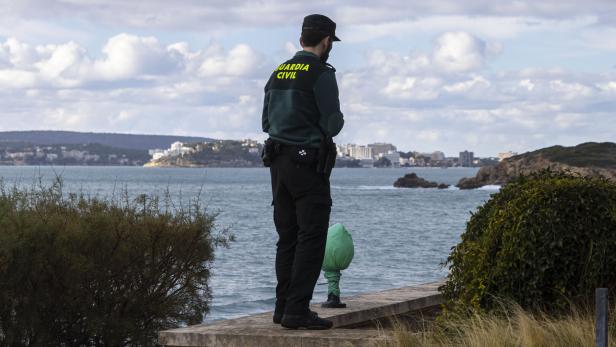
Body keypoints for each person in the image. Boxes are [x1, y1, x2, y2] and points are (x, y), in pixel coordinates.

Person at [261, 13, 344, 330]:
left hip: (278, 166)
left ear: (300, 40)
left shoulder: (278, 72)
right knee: (311, 238)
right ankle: (297, 310)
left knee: (287, 238)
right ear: (326, 42)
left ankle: (282, 308)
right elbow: (332, 123)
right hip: (308, 164)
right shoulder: (321, 73)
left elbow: (266, 123)